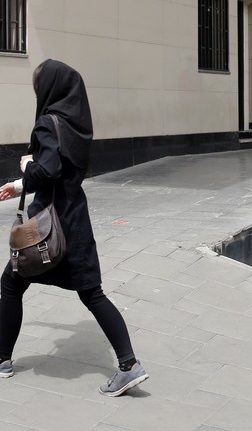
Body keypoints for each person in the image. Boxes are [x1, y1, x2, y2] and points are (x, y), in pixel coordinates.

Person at [0, 59, 148, 396]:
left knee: (10, 284)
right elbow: (62, 174)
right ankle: (129, 365)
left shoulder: (46, 124)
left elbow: (48, 171)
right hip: (74, 222)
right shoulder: (76, 126)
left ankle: (2, 359)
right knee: (92, 293)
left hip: (47, 229)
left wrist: (27, 166)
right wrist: (20, 185)